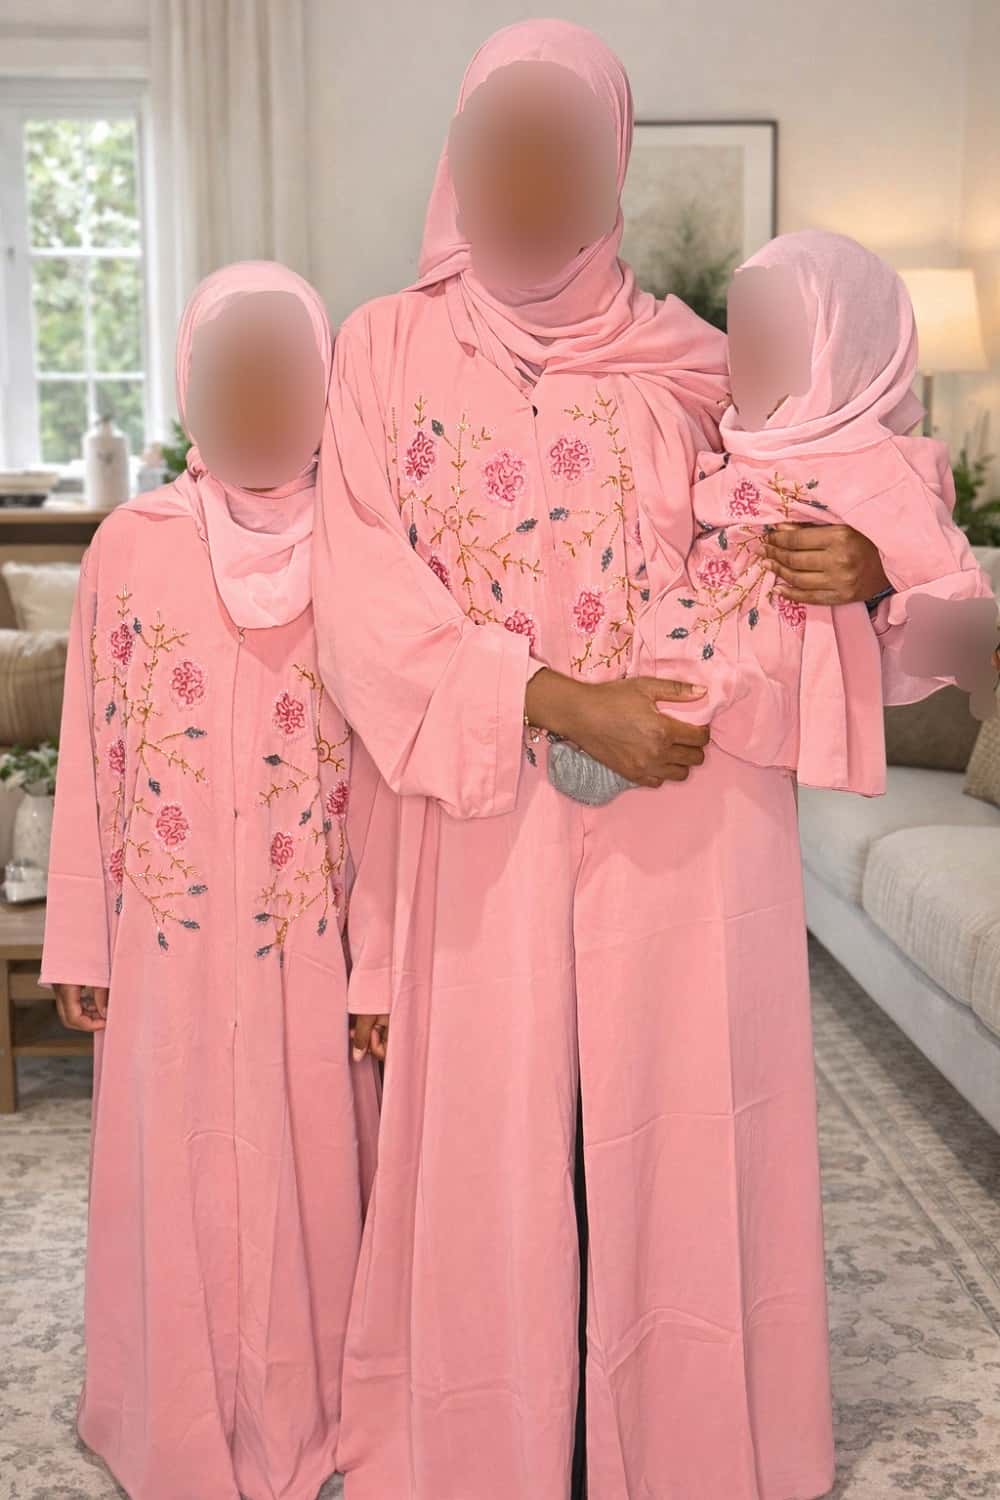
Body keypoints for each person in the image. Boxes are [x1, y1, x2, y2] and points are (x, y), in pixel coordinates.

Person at [313, 22, 889, 1500]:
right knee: (496, 1134)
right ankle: (501, 1437)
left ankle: (683, 1437)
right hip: (481, 799)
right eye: (493, 151)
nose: (522, 185)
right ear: (453, 167)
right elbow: (362, 599)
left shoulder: (701, 362)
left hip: (688, 804)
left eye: (556, 153)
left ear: (611, 169)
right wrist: (563, 701)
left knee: (671, 1135)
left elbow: (818, 500)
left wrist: (865, 562)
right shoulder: (381, 351)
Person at [40, 261, 378, 1500]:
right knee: (175, 1168)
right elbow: (90, 751)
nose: (255, 403)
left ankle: (315, 1406)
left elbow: (395, 779)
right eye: (228, 377)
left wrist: (386, 956)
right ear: (186, 386)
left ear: (326, 391)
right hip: (168, 940)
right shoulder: (130, 548)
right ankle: (171, 1408)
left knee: (311, 1168)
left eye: (282, 377)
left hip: (316, 936)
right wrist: (83, 940)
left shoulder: (364, 549)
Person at [554, 230, 995, 804]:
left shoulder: (878, 468)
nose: (747, 355)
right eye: (743, 333)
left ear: (840, 348)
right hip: (693, 624)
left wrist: (886, 578)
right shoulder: (735, 428)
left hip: (763, 670)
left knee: (704, 683)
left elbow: (961, 615)